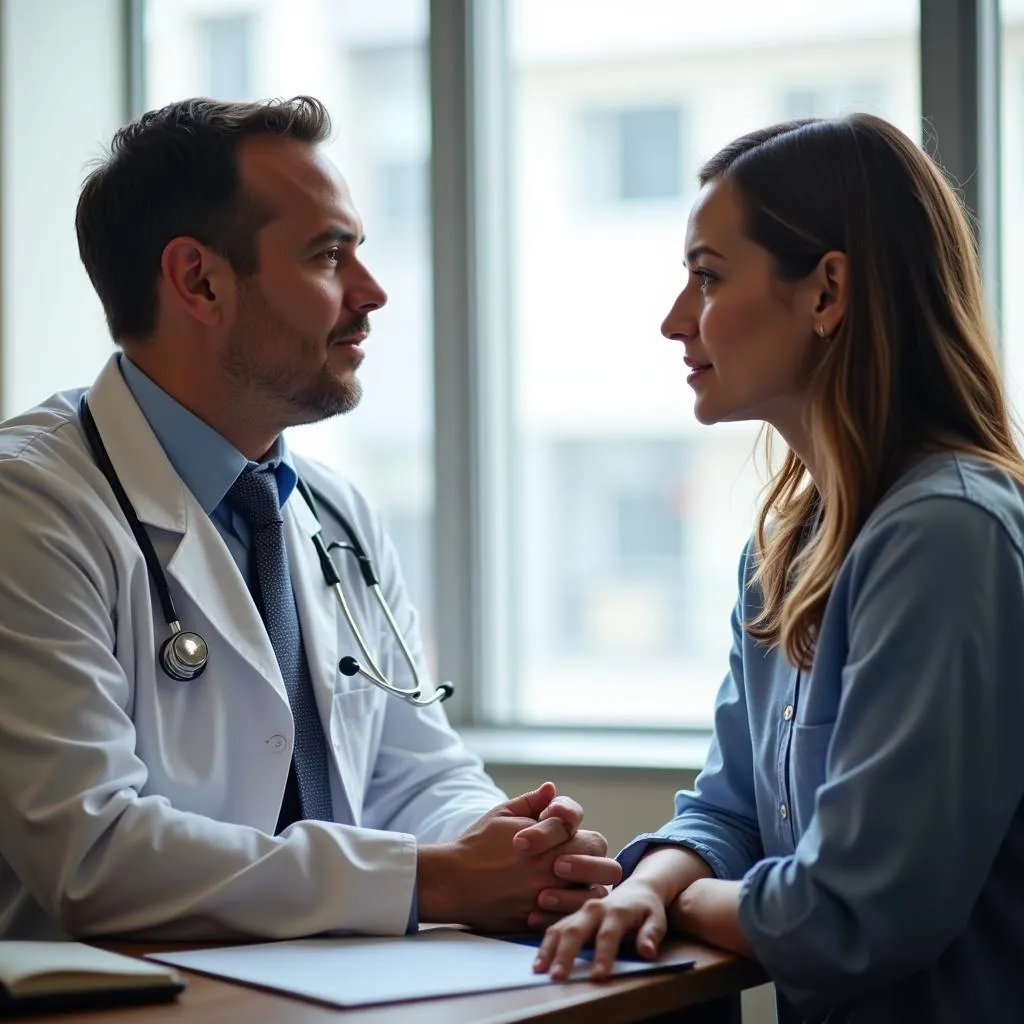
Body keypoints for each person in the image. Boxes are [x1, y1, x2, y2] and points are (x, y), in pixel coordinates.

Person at [0, 96, 621, 941]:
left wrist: (514, 850)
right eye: (330, 257)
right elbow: (92, 853)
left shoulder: (333, 509)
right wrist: (433, 880)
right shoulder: (32, 509)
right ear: (200, 281)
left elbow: (414, 773)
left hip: (336, 989)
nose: (372, 293)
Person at [533, 114, 1024, 1022]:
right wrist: (648, 885)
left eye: (709, 276)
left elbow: (850, 914)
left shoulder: (946, 536)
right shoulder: (785, 550)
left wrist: (676, 898)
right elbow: (730, 812)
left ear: (827, 291)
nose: (677, 319)